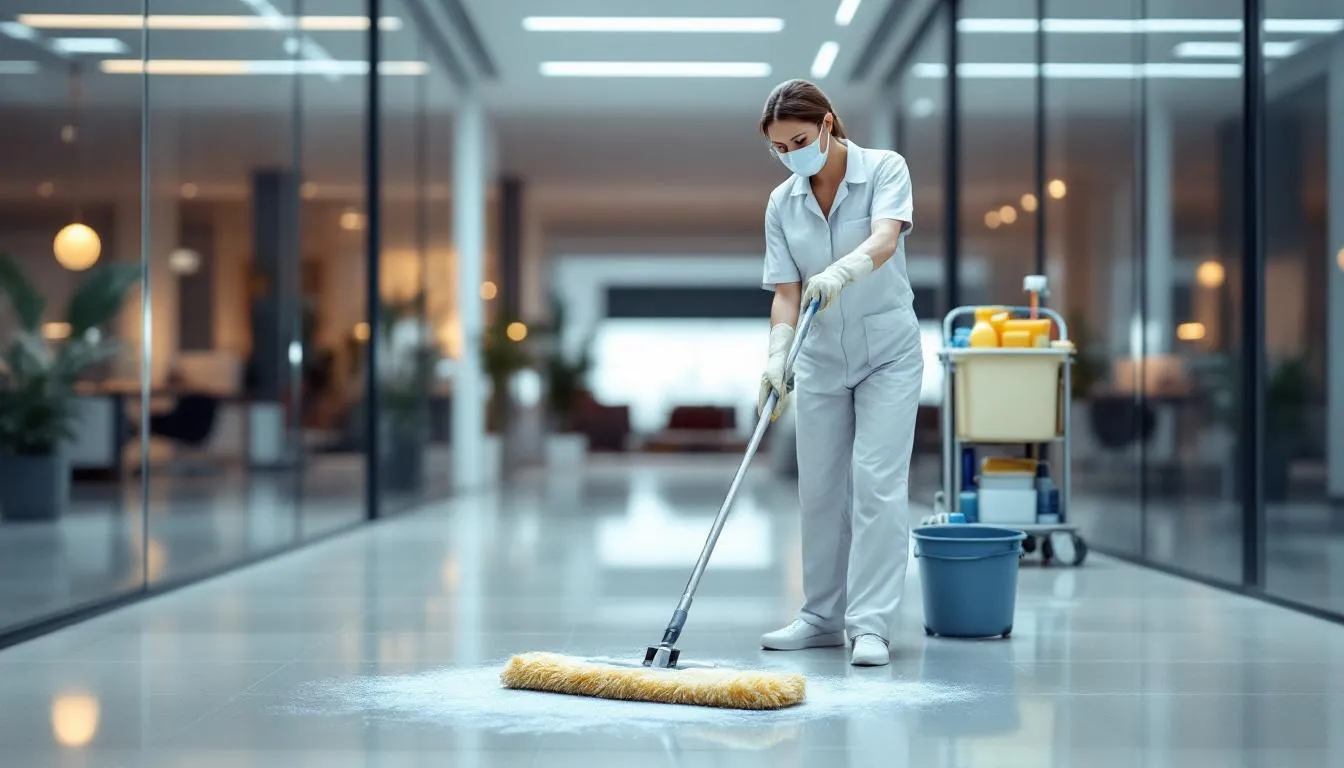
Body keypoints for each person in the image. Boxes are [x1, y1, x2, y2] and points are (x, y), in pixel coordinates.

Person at [755, 79, 922, 667]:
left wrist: (843, 271)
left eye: (798, 140)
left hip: (888, 355)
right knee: (819, 488)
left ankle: (871, 623)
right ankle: (822, 616)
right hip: (821, 355)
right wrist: (777, 355)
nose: (791, 155)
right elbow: (785, 292)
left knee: (876, 480)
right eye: (779, 148)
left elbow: (884, 238)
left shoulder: (884, 168)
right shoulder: (782, 202)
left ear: (827, 125)